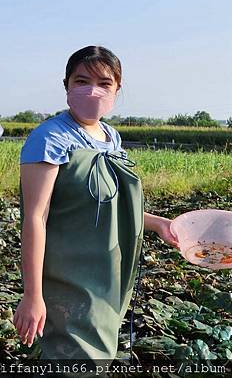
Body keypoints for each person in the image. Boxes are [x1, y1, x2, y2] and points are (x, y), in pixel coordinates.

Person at [13, 46, 178, 361]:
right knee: (77, 357)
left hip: (109, 268)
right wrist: (32, 296)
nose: (93, 91)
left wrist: (158, 223)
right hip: (70, 273)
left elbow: (112, 203)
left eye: (104, 83)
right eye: (81, 81)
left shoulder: (110, 138)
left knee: (100, 350)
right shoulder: (50, 139)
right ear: (67, 87)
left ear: (117, 89)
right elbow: (35, 218)